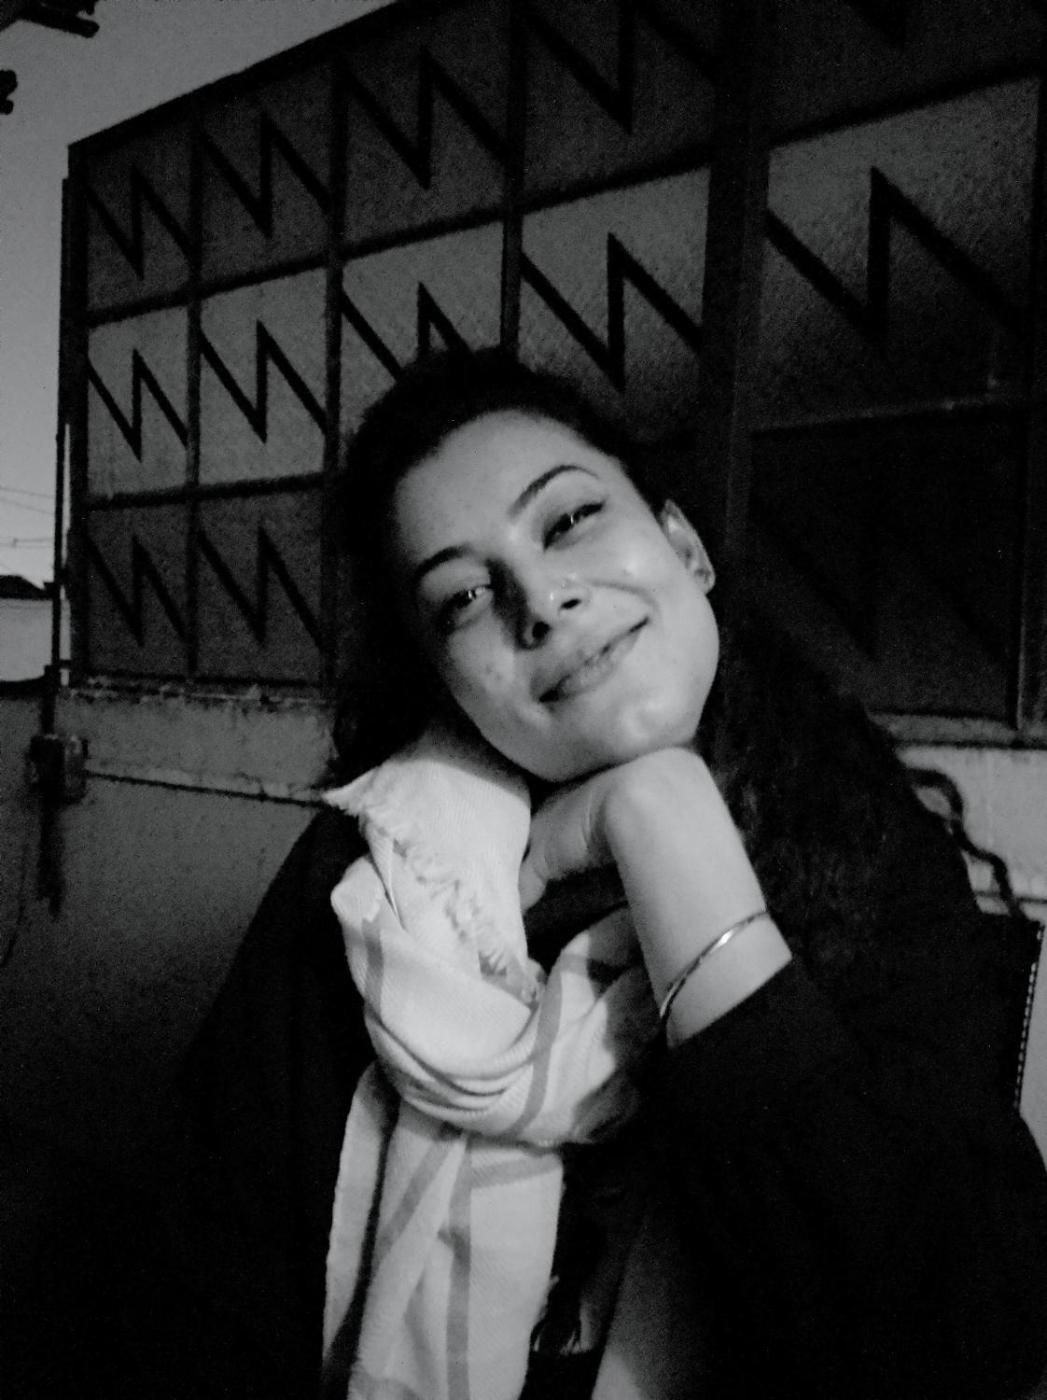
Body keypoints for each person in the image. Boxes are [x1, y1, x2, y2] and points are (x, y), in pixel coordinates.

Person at [177, 350, 1047, 1400]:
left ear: (683, 547)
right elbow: (212, 1296)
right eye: (463, 597)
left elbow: (947, 1337)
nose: (539, 600)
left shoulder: (865, 851)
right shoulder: (375, 884)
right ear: (446, 685)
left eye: (569, 519)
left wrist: (664, 824)